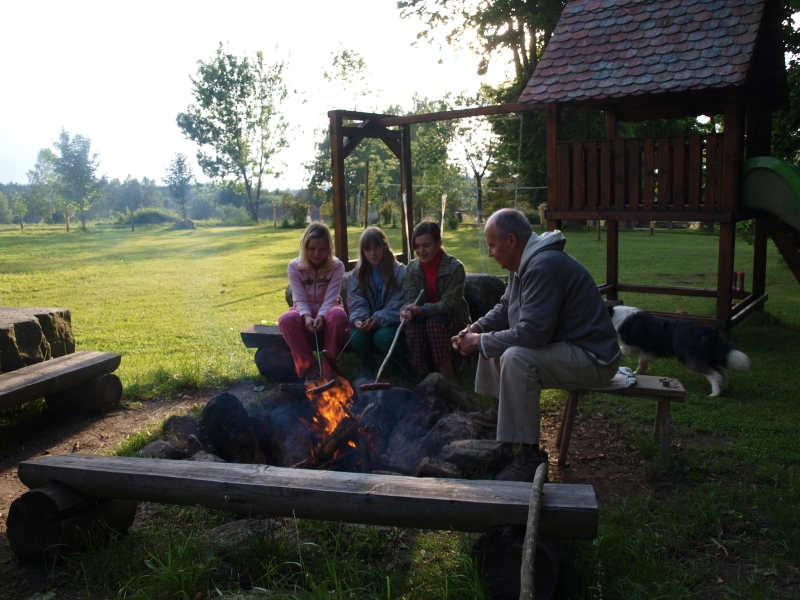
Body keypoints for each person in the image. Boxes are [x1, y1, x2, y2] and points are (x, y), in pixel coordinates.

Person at [451, 209, 621, 481]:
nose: (490, 253)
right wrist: (476, 329)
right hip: (569, 346)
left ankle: (529, 455)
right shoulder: (524, 263)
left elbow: (533, 333)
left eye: (492, 245)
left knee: (515, 357)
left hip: (594, 357)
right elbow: (505, 307)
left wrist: (480, 341)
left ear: (511, 240)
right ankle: (500, 411)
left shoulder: (542, 266)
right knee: (494, 340)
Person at [400, 220, 471, 378]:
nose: (421, 251)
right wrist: (406, 311)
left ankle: (446, 375)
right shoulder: (412, 267)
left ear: (439, 243)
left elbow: (450, 304)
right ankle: (423, 374)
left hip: (452, 318)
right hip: (424, 315)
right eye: (417, 246)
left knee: (434, 323)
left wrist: (423, 310)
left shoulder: (455, 267)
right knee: (413, 325)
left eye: (426, 246)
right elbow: (410, 298)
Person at [278, 222, 347, 381]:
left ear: (329, 248)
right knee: (286, 320)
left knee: (338, 316)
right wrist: (306, 316)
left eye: (322, 249)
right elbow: (299, 297)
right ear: (304, 247)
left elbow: (331, 297)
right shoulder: (294, 267)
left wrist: (321, 316)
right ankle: (308, 368)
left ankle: (329, 369)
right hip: (304, 310)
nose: (316, 254)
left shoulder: (337, 266)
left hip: (329, 309)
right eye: (312, 248)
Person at [347, 227, 410, 378]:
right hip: (368, 319)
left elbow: (398, 302)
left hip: (392, 319)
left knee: (383, 337)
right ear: (363, 251)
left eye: (377, 247)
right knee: (357, 336)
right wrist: (360, 319)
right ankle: (368, 367)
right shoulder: (358, 273)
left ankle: (401, 371)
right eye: (368, 249)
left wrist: (377, 319)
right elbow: (356, 299)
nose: (373, 253)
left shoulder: (399, 271)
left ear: (385, 247)